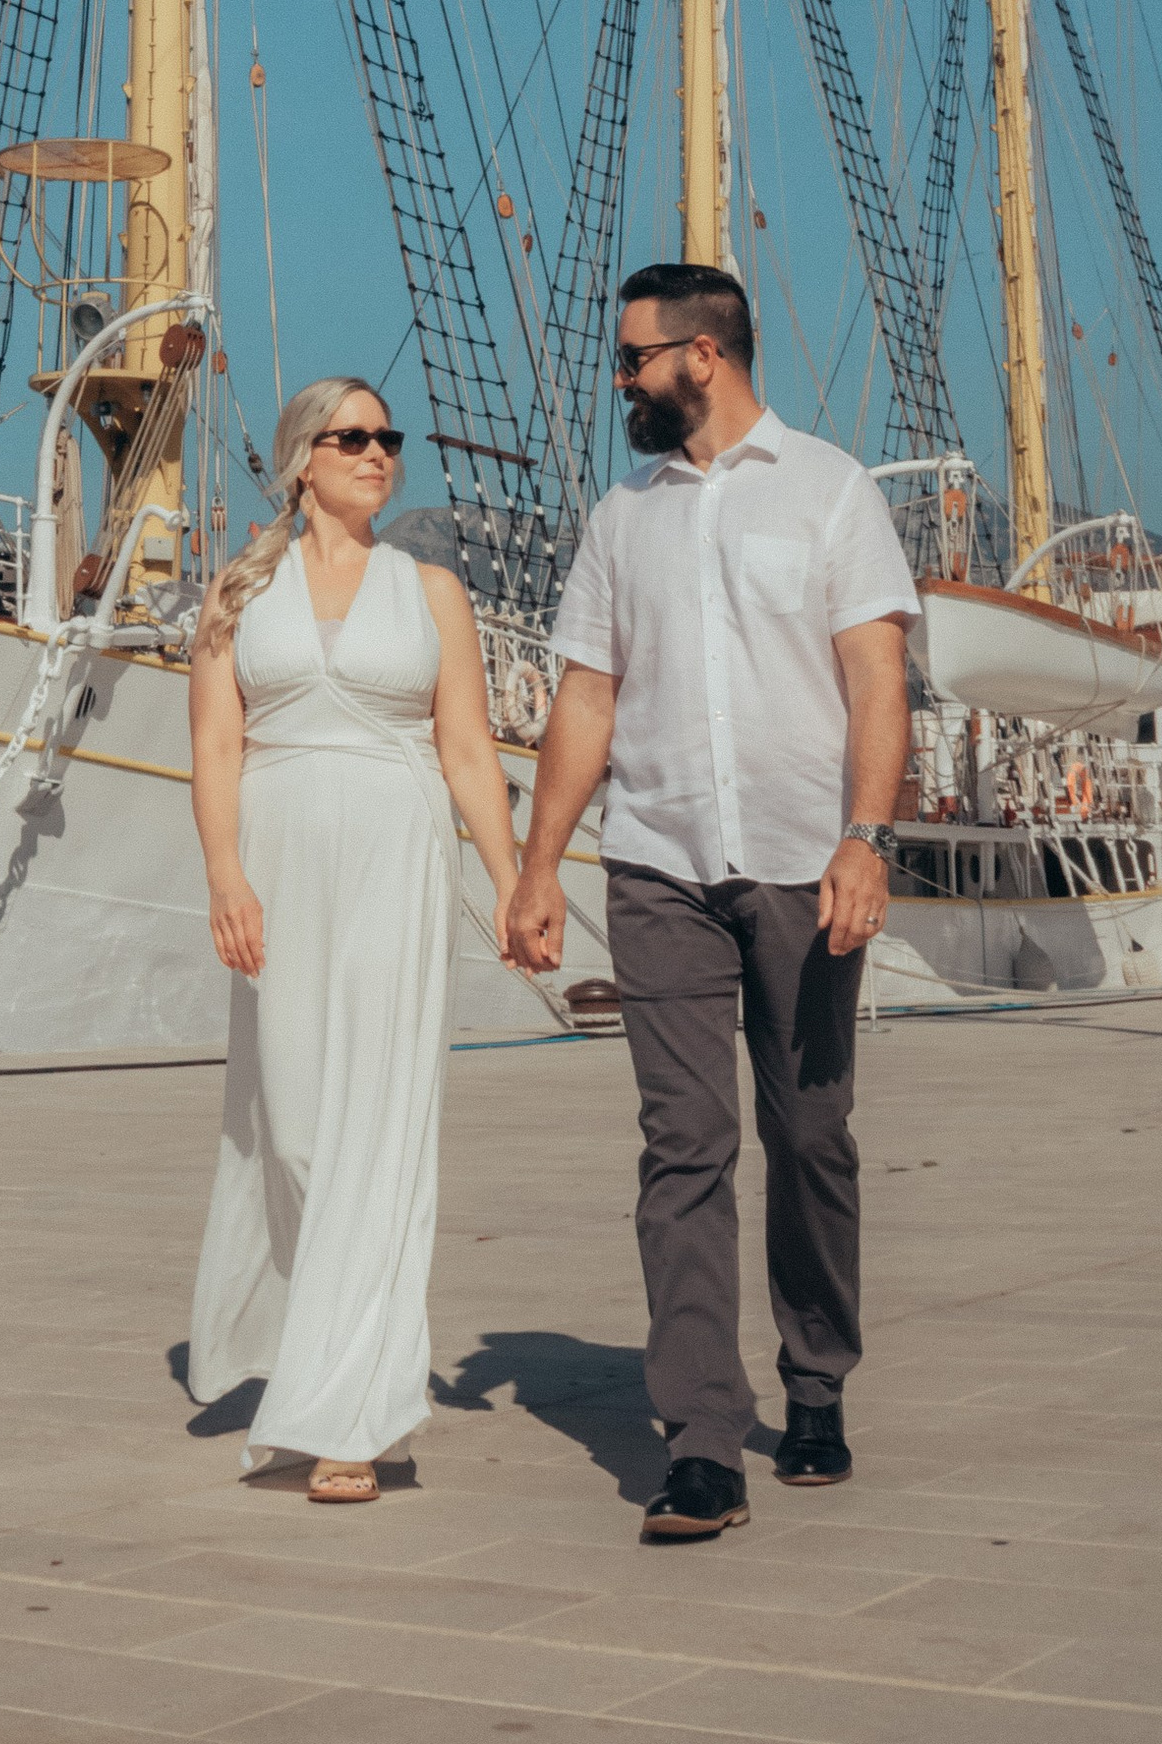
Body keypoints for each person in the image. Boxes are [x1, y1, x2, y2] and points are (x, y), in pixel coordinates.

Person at [507, 262, 918, 1544]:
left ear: (703, 354)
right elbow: (585, 694)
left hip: (806, 860)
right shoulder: (617, 516)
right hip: (658, 863)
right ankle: (696, 1441)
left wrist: (865, 838)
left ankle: (814, 1381)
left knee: (810, 1132)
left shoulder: (832, 489)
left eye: (633, 357)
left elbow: (874, 680)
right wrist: (537, 862)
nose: (618, 379)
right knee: (682, 1146)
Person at [186, 375, 521, 1502]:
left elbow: (468, 750)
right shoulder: (238, 593)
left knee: (377, 1125)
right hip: (276, 864)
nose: (378, 453)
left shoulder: (429, 590)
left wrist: (517, 878)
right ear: (300, 459)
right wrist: (225, 876)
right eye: (353, 438)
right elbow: (216, 751)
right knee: (290, 1128)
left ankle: (354, 1413)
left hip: (395, 856)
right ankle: (318, 1350)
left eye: (388, 438)